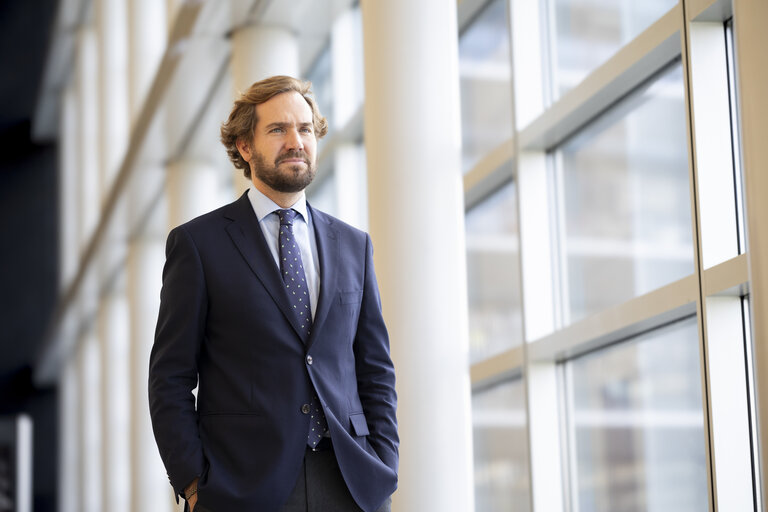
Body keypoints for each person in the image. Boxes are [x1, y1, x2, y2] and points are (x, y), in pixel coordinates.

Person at [148, 75, 398, 512]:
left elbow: (375, 368)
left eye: (304, 128)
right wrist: (192, 484)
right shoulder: (198, 244)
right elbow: (169, 378)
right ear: (245, 146)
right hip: (241, 485)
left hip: (352, 482)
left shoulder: (354, 245)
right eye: (278, 129)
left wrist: (384, 462)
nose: (295, 141)